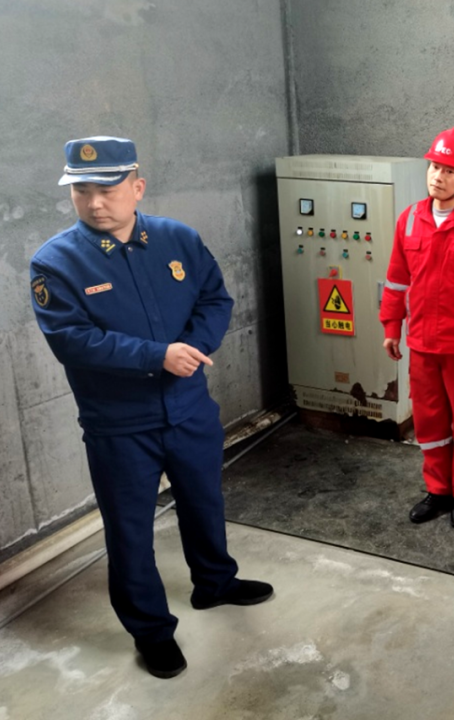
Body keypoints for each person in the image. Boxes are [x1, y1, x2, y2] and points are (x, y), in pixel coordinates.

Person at [29, 136, 273, 679]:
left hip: (189, 409)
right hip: (119, 425)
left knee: (204, 502)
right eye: (82, 191)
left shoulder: (178, 239)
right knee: (130, 531)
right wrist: (158, 356)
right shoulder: (55, 263)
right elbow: (73, 341)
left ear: (137, 187)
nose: (95, 203)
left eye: (108, 189)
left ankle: (215, 583)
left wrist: (194, 348)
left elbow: (215, 298)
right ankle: (151, 631)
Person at [380, 127, 454, 529]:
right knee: (429, 423)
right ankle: (438, 491)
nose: (438, 176)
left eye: (450, 170)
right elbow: (397, 279)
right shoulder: (410, 219)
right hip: (422, 344)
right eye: (434, 167)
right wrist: (392, 326)